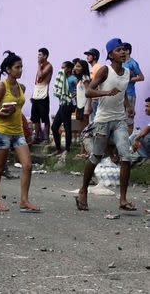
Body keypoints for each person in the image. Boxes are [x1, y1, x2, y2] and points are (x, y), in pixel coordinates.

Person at [75, 38, 136, 212]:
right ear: (110, 55)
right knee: (96, 156)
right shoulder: (104, 70)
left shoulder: (127, 72)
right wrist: (106, 92)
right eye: (118, 50)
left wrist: (128, 106)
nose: (123, 52)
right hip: (102, 120)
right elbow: (88, 91)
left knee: (126, 156)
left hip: (119, 120)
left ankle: (123, 199)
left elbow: (122, 91)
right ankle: (83, 190)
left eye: (124, 49)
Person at [0, 51, 40, 213]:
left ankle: (24, 201)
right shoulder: (1, 87)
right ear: (8, 69)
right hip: (2, 132)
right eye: (17, 67)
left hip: (18, 133)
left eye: (21, 67)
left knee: (28, 165)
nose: (20, 70)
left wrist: (27, 126)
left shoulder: (20, 87)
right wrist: (2, 113)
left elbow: (19, 109)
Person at [51, 61, 75, 154]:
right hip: (62, 104)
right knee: (54, 127)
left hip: (67, 104)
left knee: (67, 126)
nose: (62, 69)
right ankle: (59, 149)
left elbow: (78, 87)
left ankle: (67, 150)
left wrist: (73, 95)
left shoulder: (72, 78)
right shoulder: (63, 77)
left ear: (69, 68)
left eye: (63, 67)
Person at [30, 48, 53, 143]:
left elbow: (40, 76)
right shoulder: (41, 66)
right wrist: (33, 93)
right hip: (36, 93)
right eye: (38, 54)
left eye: (40, 55)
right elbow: (36, 81)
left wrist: (39, 64)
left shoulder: (49, 66)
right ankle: (37, 137)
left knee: (44, 116)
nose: (38, 57)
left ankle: (46, 138)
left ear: (45, 56)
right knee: (35, 117)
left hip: (44, 94)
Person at [122, 42, 144, 134]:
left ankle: (129, 144)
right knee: (121, 120)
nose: (121, 51)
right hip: (121, 95)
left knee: (129, 121)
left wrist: (128, 79)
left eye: (123, 49)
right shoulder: (121, 63)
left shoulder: (132, 63)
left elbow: (141, 77)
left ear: (128, 51)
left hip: (130, 94)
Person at [73, 60, 91, 159]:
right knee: (82, 131)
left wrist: (88, 107)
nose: (76, 68)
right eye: (76, 66)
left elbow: (89, 93)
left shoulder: (85, 78)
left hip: (84, 106)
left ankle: (83, 152)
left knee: (84, 131)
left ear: (83, 68)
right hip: (79, 106)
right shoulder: (80, 79)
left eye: (79, 66)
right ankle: (82, 152)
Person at [84, 48, 101, 123]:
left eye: (89, 55)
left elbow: (93, 86)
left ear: (94, 57)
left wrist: (89, 105)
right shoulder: (96, 67)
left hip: (96, 99)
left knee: (93, 123)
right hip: (96, 98)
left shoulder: (96, 68)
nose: (87, 57)